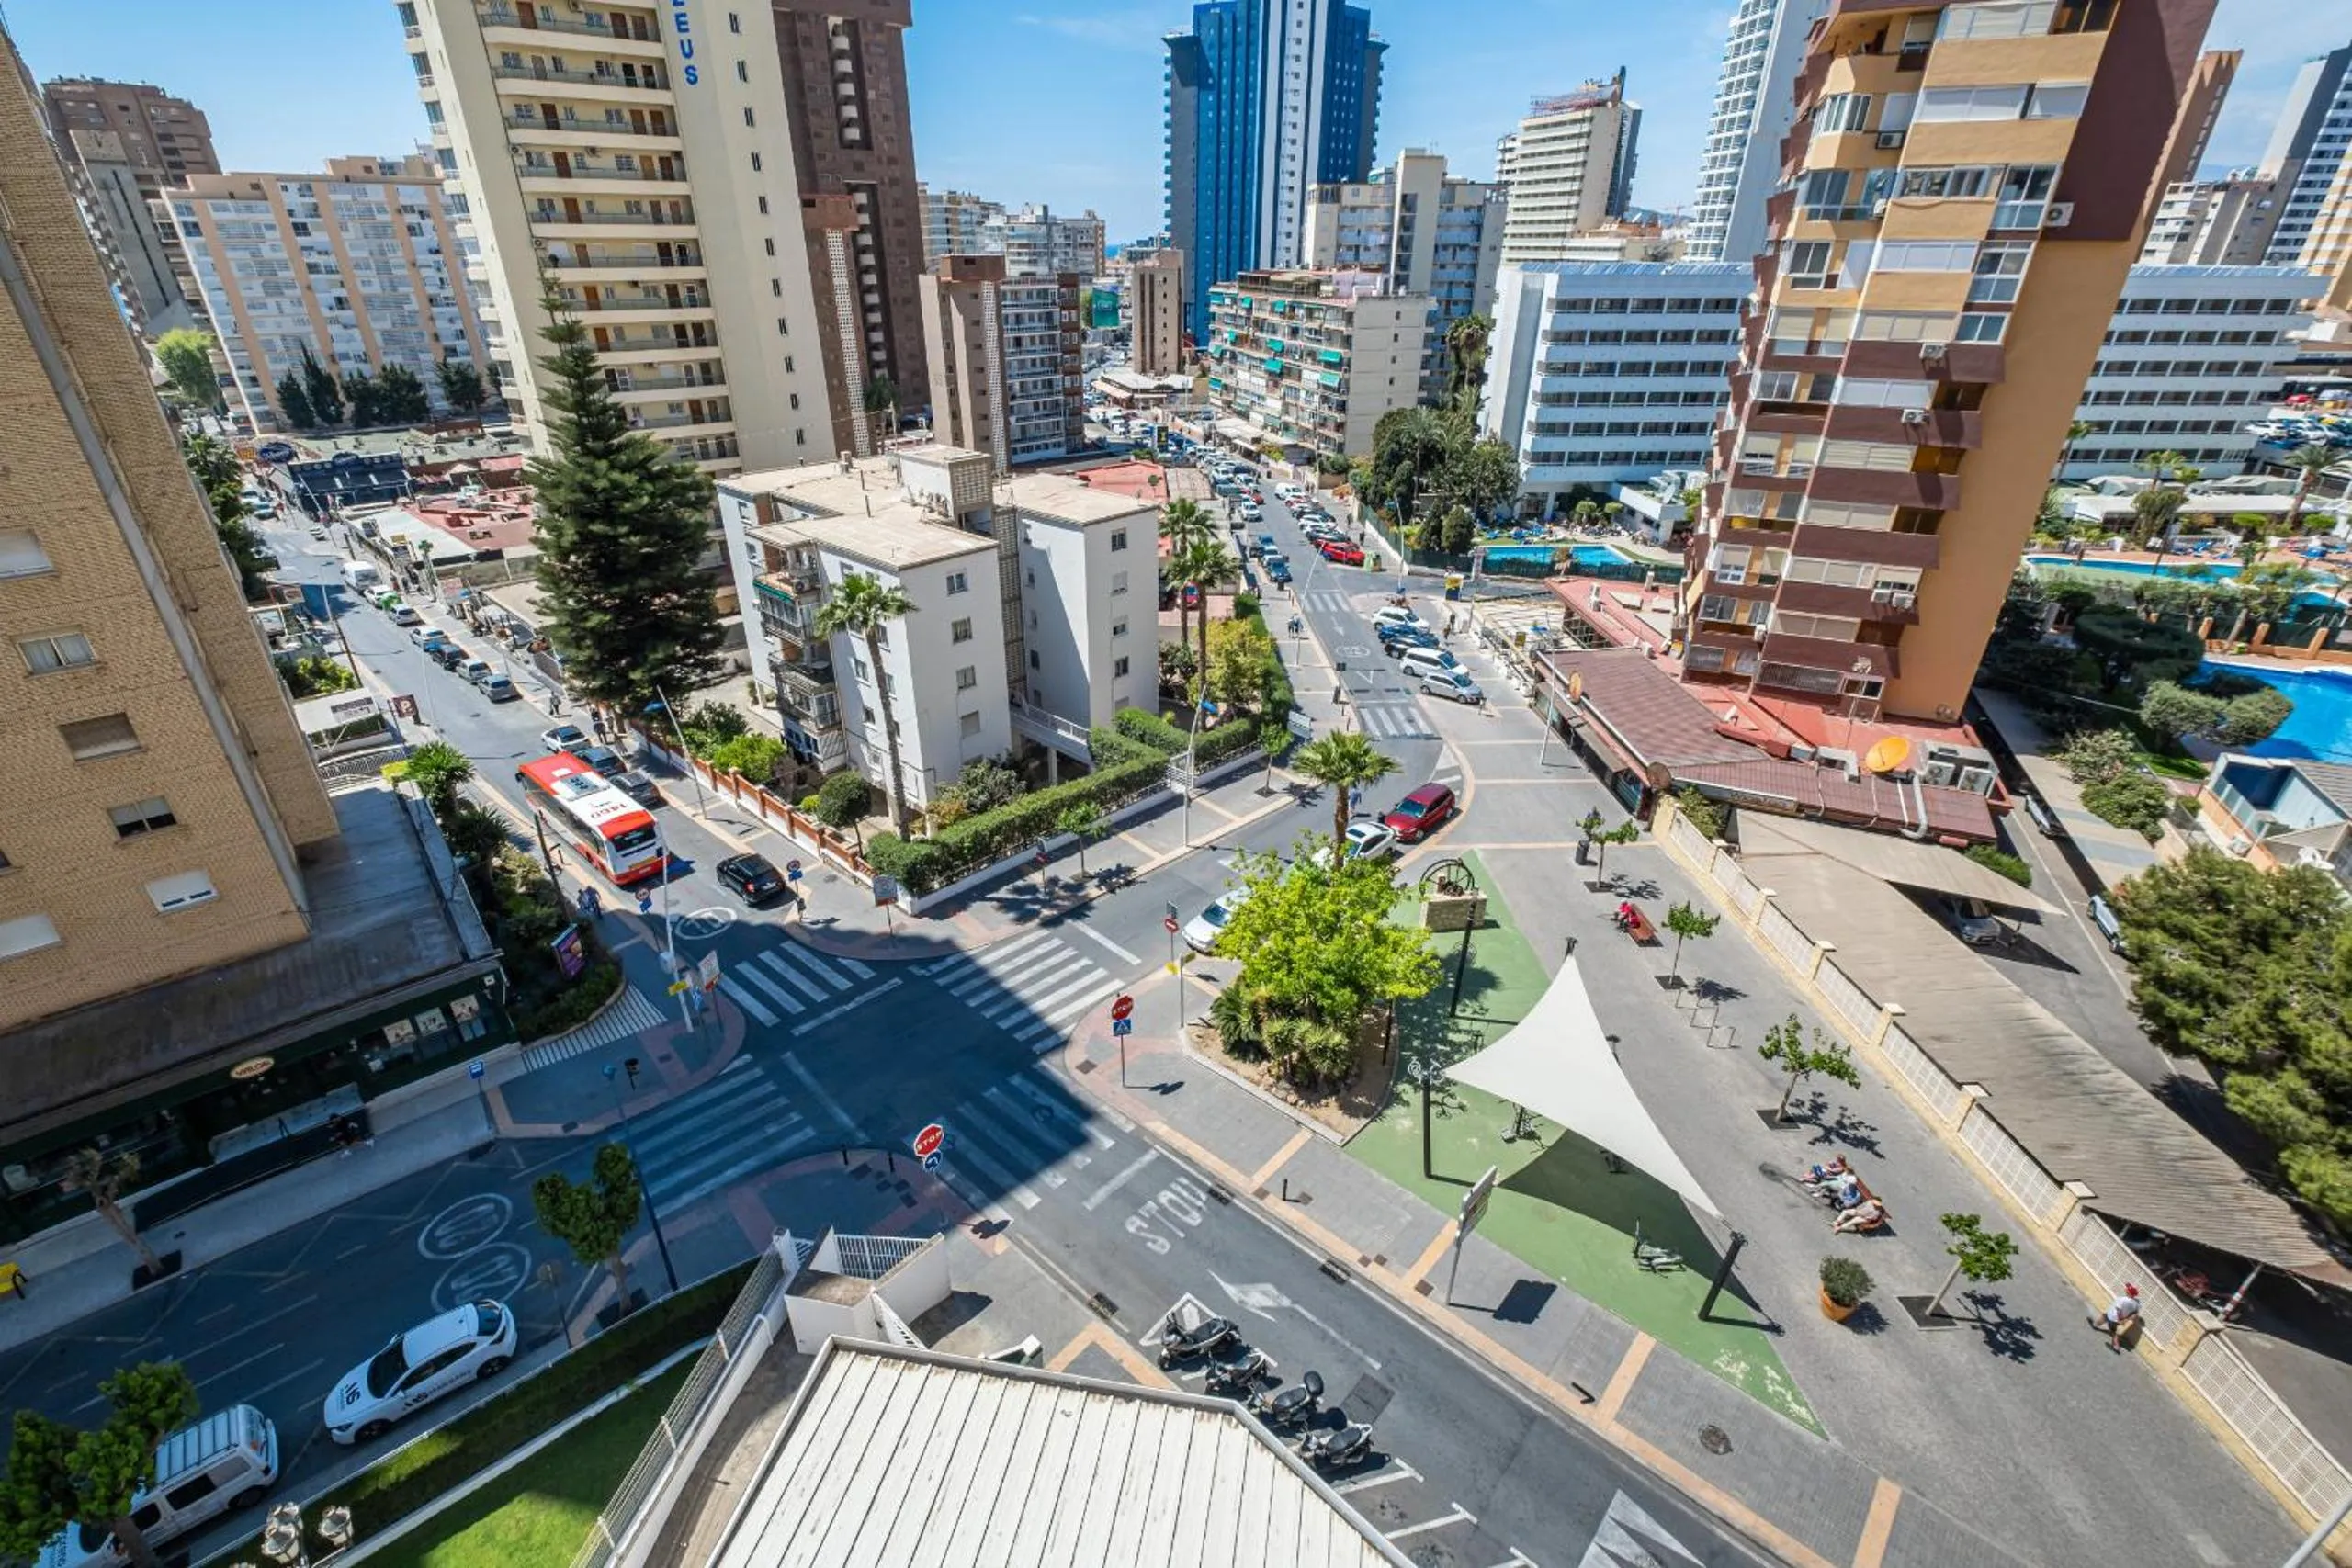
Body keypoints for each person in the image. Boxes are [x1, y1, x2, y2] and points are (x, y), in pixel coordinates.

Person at [2089, 1283, 2142, 1350]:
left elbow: (2118, 1310)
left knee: (2113, 1331)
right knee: (2104, 1317)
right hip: (2118, 1318)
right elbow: (2134, 1314)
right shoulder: (2136, 1303)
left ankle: (2116, 1347)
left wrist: (2120, 1318)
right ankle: (2095, 1325)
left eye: (2127, 1288)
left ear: (2129, 1292)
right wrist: (2126, 1319)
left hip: (2114, 1316)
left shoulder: (2123, 1299)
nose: (2125, 1289)